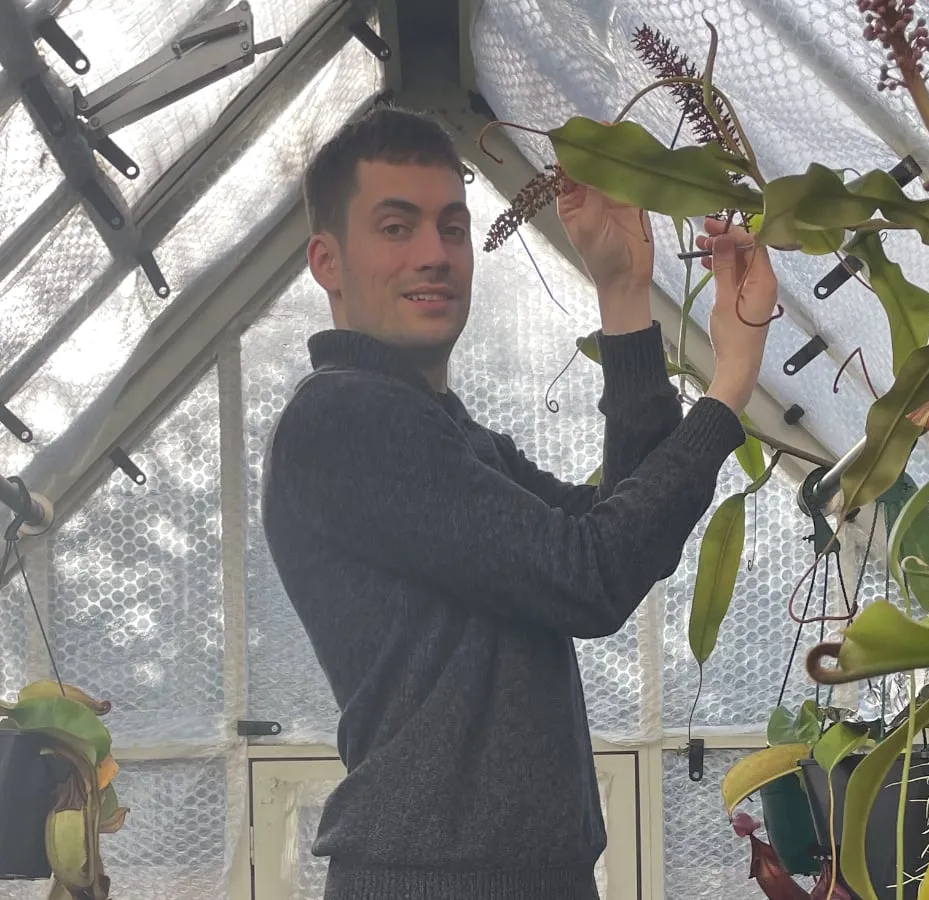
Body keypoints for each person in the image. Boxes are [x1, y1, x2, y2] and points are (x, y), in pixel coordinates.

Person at [261, 104, 780, 900]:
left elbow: (610, 518)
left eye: (452, 228)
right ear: (327, 261)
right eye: (396, 228)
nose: (435, 255)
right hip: (438, 881)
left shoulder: (448, 433)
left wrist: (623, 291)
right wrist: (729, 388)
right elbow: (591, 574)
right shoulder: (344, 420)